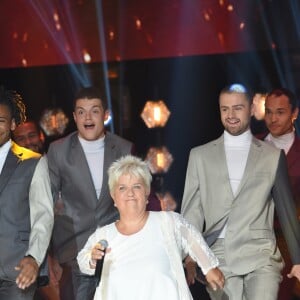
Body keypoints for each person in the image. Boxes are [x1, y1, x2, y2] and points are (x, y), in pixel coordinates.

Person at [181, 83, 300, 300]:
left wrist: (299, 260)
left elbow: (286, 211)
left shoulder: (272, 155)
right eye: (224, 109)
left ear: (252, 109)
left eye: (237, 108)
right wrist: (191, 256)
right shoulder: (200, 156)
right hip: (217, 254)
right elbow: (192, 213)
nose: (231, 115)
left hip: (261, 252)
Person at [47, 86, 159, 300]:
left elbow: (146, 196)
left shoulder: (124, 148)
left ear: (105, 115)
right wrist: (47, 255)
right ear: (74, 116)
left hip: (118, 250)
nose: (87, 117)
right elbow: (45, 204)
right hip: (74, 253)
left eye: (94, 111)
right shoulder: (58, 151)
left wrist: (155, 235)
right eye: (81, 112)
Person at [77, 155, 224, 300]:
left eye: (137, 186)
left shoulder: (167, 221)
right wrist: (93, 260)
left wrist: (209, 267)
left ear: (146, 192)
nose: (130, 193)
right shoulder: (103, 235)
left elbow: (191, 238)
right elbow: (84, 260)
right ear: (113, 196)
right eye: (122, 188)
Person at [0, 87, 53, 299]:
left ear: (13, 124)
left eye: (1, 120)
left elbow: (44, 216)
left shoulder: (33, 162)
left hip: (17, 270)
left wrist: (34, 257)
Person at [12, 120, 61, 300]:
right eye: (21, 139)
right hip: (29, 256)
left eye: (31, 135)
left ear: (41, 136)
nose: (28, 142)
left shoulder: (58, 165)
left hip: (66, 249)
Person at [261, 87, 300, 300]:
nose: (273, 118)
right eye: (269, 111)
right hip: (252, 244)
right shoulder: (250, 146)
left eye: (280, 112)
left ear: (294, 113)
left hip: (288, 246)